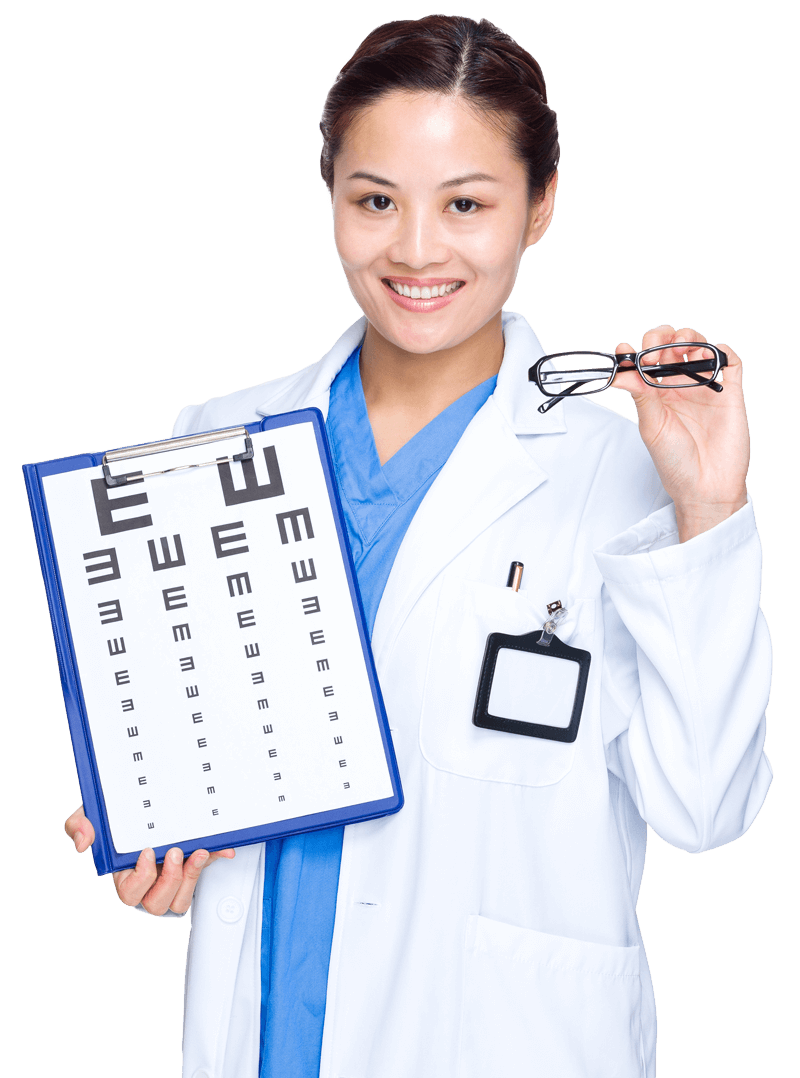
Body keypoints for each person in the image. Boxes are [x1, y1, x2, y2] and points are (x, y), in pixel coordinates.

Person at [64, 14, 771, 1077]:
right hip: (263, 1038)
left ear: (541, 204)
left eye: (465, 204)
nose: (416, 250)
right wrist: (157, 840)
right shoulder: (212, 438)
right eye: (376, 200)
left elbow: (704, 810)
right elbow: (201, 762)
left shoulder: (623, 476)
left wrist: (708, 508)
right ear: (330, 197)